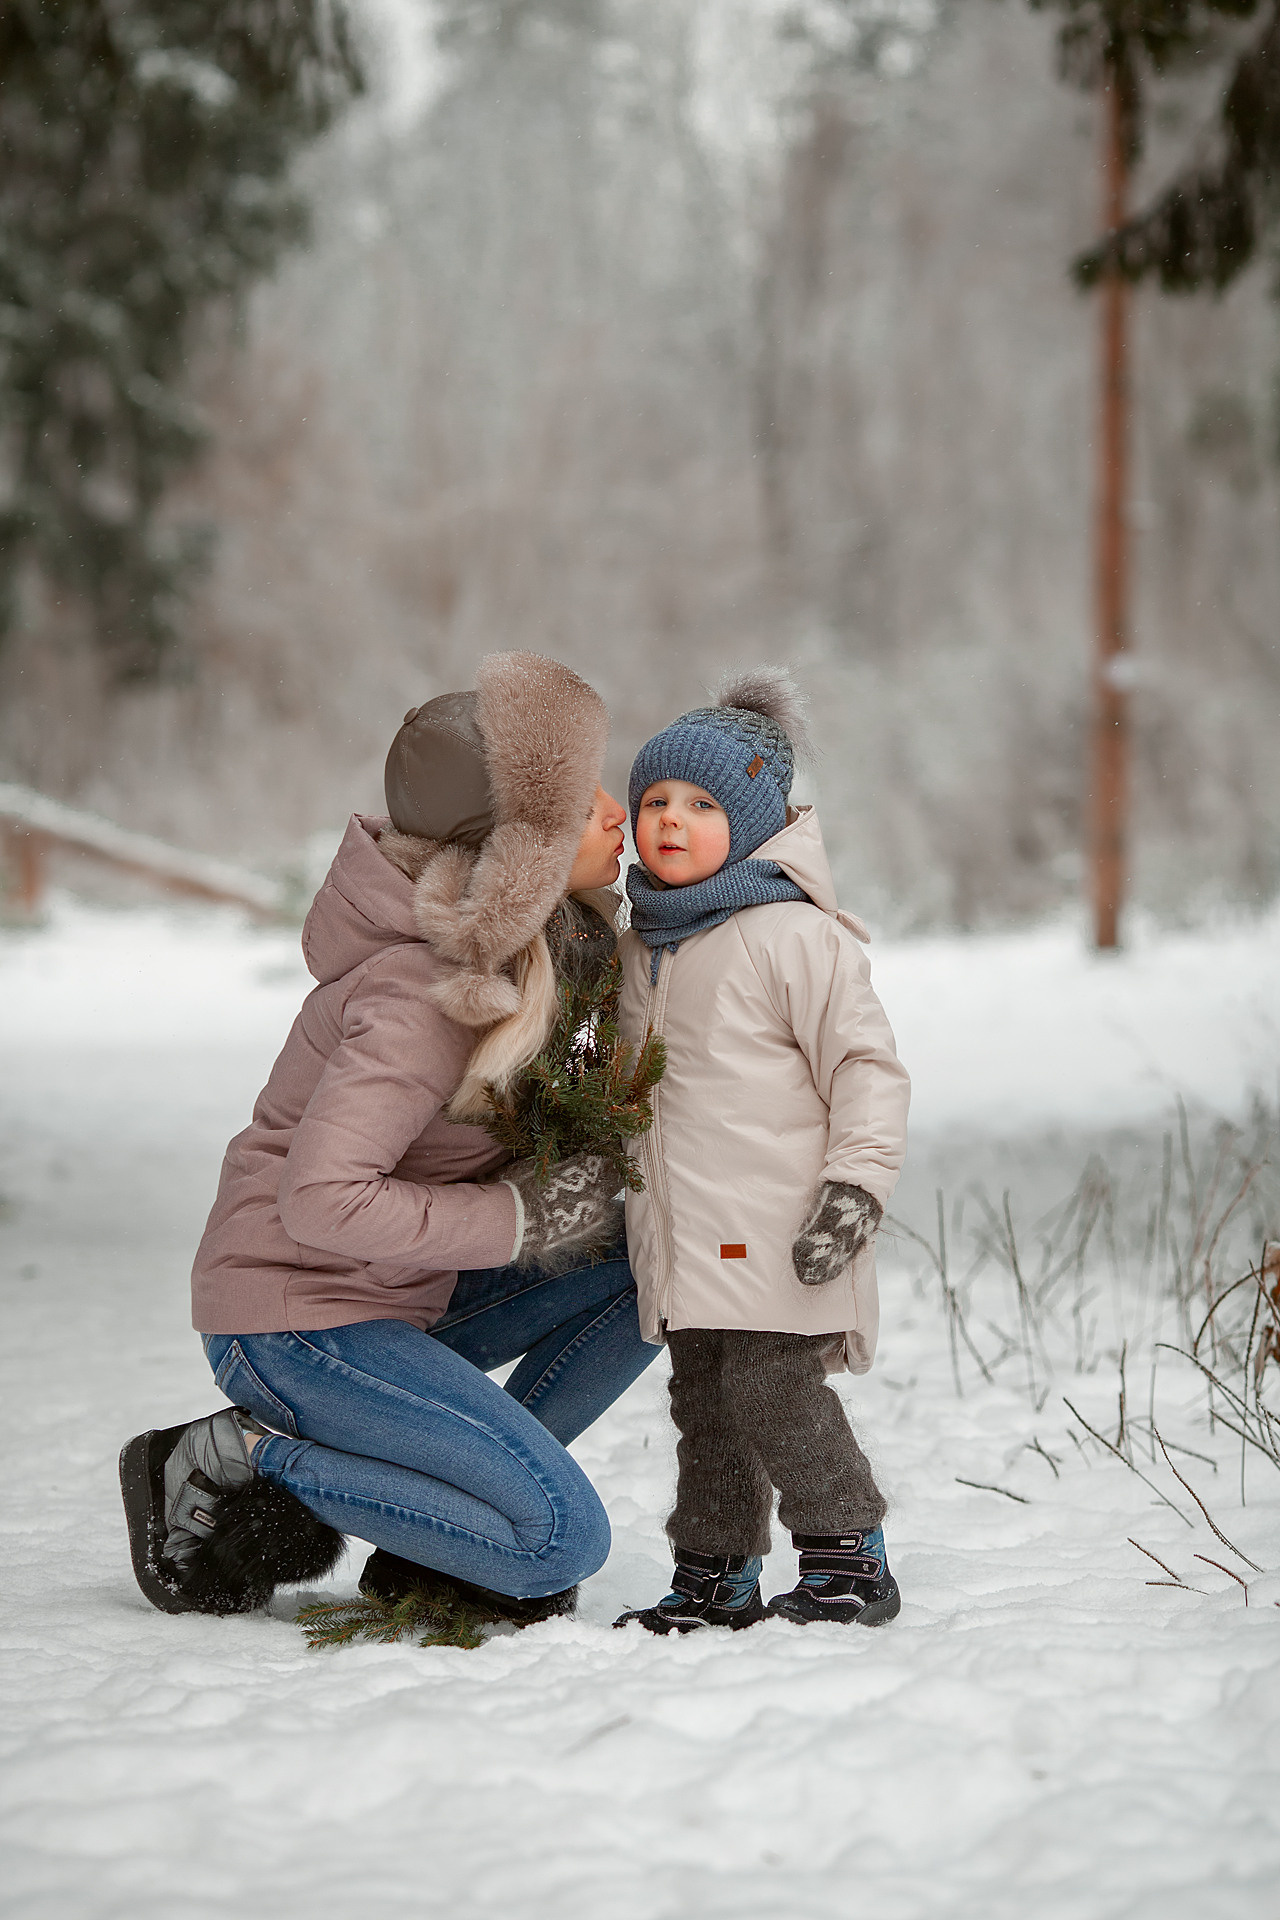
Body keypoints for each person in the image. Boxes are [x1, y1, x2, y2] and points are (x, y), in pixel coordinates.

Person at [121, 651, 656, 1622]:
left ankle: (446, 1527)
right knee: (554, 1543)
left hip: (401, 1296)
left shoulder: (548, 957)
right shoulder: (420, 994)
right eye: (581, 805)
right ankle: (237, 1455)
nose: (617, 811)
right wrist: (518, 1219)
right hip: (295, 1318)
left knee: (645, 1262)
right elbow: (320, 1201)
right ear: (516, 853)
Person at [611, 669, 911, 1633]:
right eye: (654, 800)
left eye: (701, 804)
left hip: (783, 1227)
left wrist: (855, 1188)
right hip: (687, 1235)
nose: (670, 820)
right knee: (704, 1407)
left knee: (775, 1390)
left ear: (752, 822)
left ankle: (845, 1558)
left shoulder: (793, 936)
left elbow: (866, 1066)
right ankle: (715, 1571)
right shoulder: (643, 942)